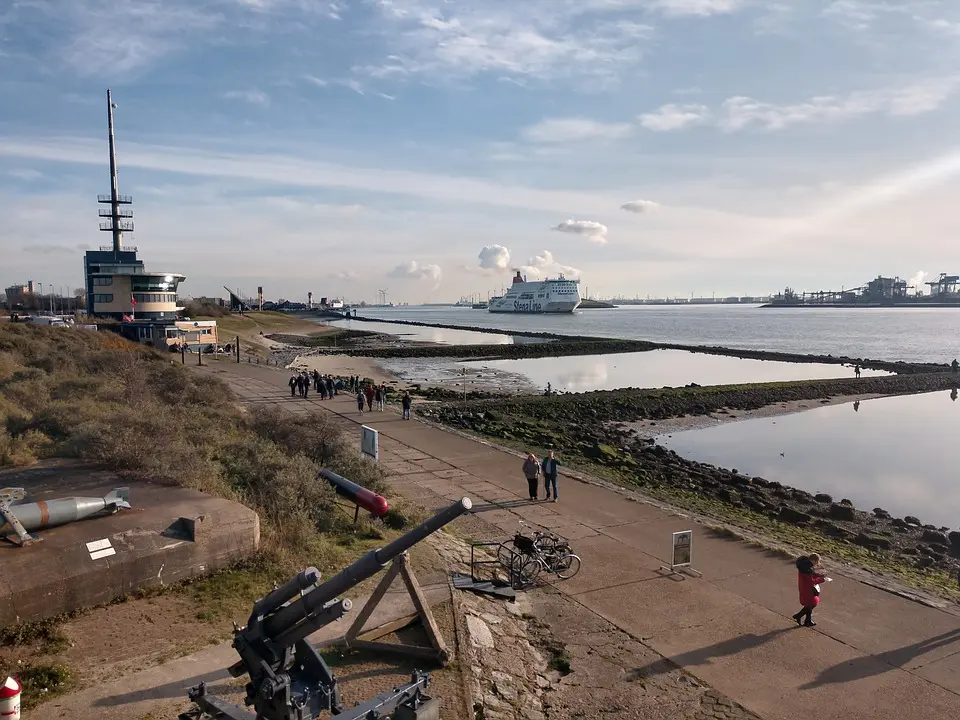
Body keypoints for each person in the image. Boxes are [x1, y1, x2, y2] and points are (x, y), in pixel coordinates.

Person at [793, 553, 827, 627]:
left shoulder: (804, 567)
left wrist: (818, 575)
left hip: (805, 587)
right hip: (807, 589)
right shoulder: (806, 569)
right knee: (812, 603)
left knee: (810, 604)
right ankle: (801, 617)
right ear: (813, 560)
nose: (817, 564)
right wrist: (821, 579)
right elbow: (811, 581)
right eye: (817, 562)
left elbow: (810, 575)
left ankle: (807, 620)